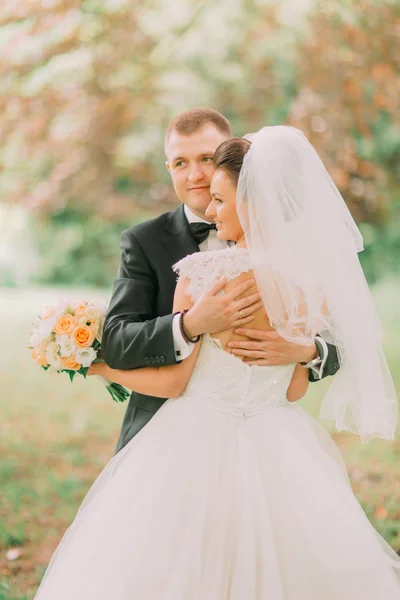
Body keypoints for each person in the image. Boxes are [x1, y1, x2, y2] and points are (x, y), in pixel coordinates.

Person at [35, 126, 400, 599]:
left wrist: (99, 368)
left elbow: (172, 384)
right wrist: (207, 331)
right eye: (180, 163)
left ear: (250, 200)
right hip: (281, 442)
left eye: (221, 197)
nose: (208, 201)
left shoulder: (204, 273)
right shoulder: (309, 281)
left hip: (191, 437)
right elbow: (293, 391)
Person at [102, 108, 339, 453]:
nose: (195, 174)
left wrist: (307, 351)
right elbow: (116, 338)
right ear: (168, 168)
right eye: (180, 163)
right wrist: (188, 325)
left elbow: (340, 340)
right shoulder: (144, 241)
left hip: (264, 436)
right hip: (162, 435)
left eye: (207, 158)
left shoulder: (295, 251)